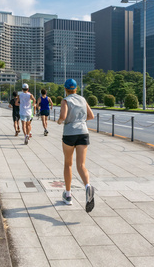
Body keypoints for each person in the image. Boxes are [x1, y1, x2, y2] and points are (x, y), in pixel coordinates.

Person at [57, 78, 95, 212]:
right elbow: (91, 116)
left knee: (68, 164)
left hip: (69, 133)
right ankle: (87, 186)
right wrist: (81, 121)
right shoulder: (83, 99)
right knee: (81, 165)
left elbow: (63, 115)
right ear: (76, 89)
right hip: (83, 132)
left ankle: (68, 195)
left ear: (66, 89)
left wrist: (60, 121)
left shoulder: (66, 100)